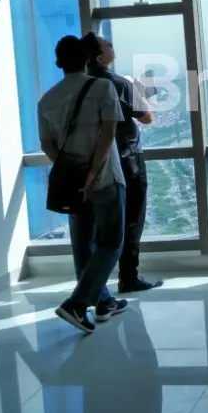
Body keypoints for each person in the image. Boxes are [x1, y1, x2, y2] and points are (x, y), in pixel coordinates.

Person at [38, 35, 130, 334]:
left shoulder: (47, 100)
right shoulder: (102, 87)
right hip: (106, 177)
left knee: (82, 245)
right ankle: (77, 304)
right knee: (110, 242)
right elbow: (108, 133)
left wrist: (72, 172)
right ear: (87, 60)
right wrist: (92, 172)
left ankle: (103, 302)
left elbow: (47, 144)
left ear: (58, 63)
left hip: (72, 182)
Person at [82, 32, 164, 293]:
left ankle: (95, 285)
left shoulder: (82, 86)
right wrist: (138, 90)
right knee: (132, 220)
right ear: (100, 57)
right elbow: (146, 118)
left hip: (94, 163)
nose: (112, 46)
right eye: (107, 45)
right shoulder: (119, 84)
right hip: (128, 161)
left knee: (100, 225)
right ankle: (128, 276)